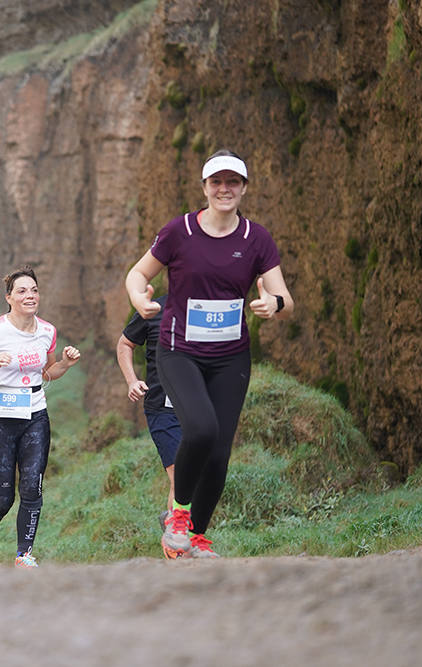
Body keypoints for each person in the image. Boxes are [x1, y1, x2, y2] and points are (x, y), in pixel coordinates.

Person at [125, 150, 294, 559]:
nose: (224, 189)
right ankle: (178, 516)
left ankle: (196, 538)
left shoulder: (257, 238)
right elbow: (137, 274)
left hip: (231, 357)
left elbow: (285, 296)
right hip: (179, 351)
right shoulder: (179, 231)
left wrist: (275, 305)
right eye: (216, 182)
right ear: (204, 188)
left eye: (232, 182)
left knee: (219, 451)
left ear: (244, 188)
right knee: (201, 429)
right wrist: (139, 299)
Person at [0, 266, 81, 568]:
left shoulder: (47, 331)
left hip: (34, 416)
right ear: (9, 298)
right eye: (22, 291)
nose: (30, 296)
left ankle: (23, 554)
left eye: (34, 290)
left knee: (32, 487)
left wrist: (65, 364)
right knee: (2, 499)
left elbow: (48, 372)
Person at [117, 293, 180, 530]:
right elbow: (125, 343)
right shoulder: (153, 309)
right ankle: (178, 540)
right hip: (163, 409)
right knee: (180, 475)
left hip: (199, 406)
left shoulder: (208, 311)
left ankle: (172, 522)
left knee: (196, 476)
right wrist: (132, 381)